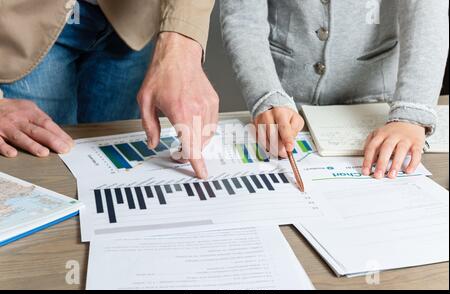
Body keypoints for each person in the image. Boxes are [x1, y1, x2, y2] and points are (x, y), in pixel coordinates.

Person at [221, 0, 449, 179]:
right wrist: (266, 93)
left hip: (380, 115)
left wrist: (411, 116)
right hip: (286, 109)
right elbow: (243, 18)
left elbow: (426, 14)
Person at [0, 0, 218, 179]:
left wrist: (181, 44)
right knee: (41, 180)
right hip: (18, 22)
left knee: (114, 178)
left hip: (133, 23)